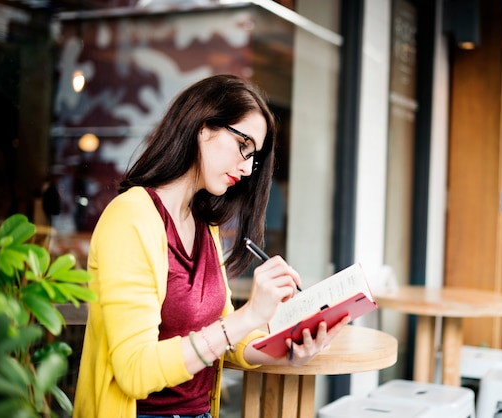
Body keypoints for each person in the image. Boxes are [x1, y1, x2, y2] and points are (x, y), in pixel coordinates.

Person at [73, 74, 350, 418]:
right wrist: (250, 315)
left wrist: (288, 348)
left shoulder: (205, 226)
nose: (248, 168)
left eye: (255, 156)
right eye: (243, 145)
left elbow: (222, 340)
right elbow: (134, 372)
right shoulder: (130, 218)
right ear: (203, 127)